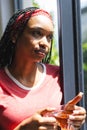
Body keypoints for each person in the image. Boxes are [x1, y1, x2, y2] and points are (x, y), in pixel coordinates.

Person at [0, 6, 86, 130]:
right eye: (37, 33)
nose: (45, 43)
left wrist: (74, 118)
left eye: (49, 37)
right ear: (14, 35)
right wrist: (24, 128)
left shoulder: (59, 75)